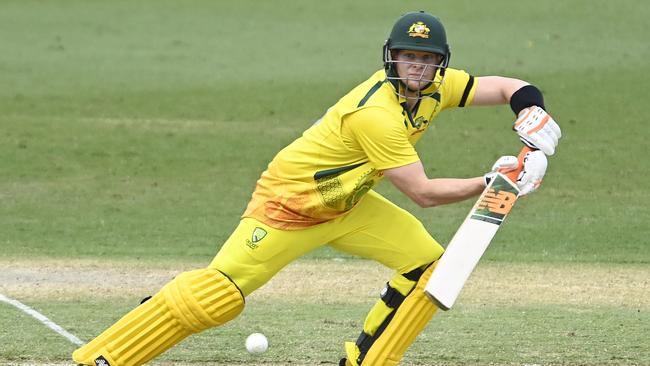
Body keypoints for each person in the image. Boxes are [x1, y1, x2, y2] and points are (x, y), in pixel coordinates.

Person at [72, 10, 561, 366]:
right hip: (289, 206)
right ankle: (104, 357)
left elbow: (504, 85)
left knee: (430, 269)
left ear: (439, 64)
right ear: (391, 58)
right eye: (407, 57)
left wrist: (530, 109)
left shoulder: (435, 88)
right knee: (216, 296)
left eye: (426, 58)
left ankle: (367, 361)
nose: (415, 66)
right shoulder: (376, 114)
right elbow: (423, 193)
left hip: (346, 205)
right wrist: (495, 181)